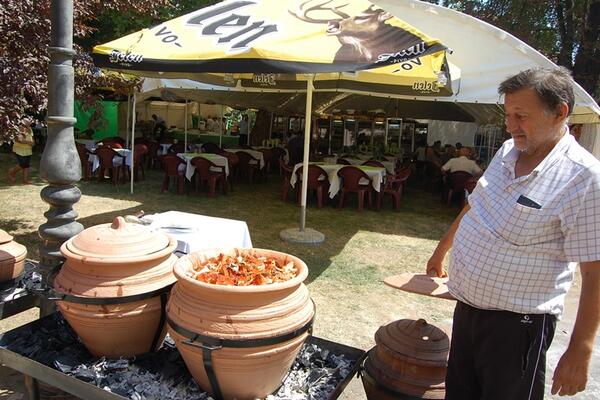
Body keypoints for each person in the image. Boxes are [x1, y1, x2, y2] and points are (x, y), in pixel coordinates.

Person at [426, 67, 600, 399]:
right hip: (468, 311)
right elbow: (476, 205)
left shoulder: (584, 177)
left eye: (520, 115)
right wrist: (441, 249)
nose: (510, 125)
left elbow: (595, 272)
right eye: (507, 115)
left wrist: (581, 349)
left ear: (559, 113)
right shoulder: (508, 151)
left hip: (518, 329)